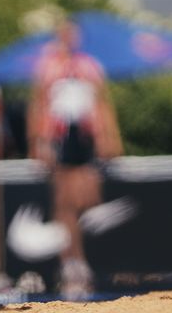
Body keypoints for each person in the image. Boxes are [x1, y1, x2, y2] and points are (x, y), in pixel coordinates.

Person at [29, 17, 122, 297]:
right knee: (65, 199)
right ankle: (70, 259)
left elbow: (102, 104)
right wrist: (38, 142)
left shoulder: (89, 67)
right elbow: (39, 105)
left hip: (84, 135)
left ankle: (79, 255)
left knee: (86, 197)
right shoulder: (48, 68)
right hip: (60, 136)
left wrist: (109, 137)